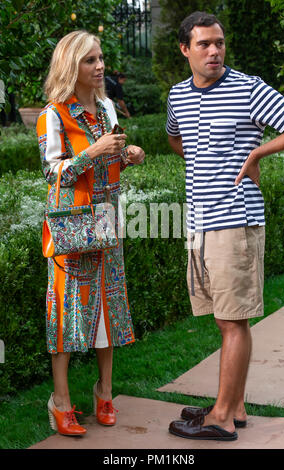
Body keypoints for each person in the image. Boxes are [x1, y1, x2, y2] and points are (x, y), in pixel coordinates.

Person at [167, 11, 284, 441]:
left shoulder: (248, 87)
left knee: (233, 319)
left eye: (219, 43)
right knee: (227, 320)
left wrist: (257, 154)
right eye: (204, 44)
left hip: (236, 220)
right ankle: (236, 405)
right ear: (185, 49)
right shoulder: (177, 95)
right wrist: (204, 162)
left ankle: (222, 417)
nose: (214, 51)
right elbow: (175, 136)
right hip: (199, 222)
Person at [36, 30, 145, 437]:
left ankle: (105, 391)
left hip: (106, 218)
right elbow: (53, 172)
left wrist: (129, 155)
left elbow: (113, 156)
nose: (100, 66)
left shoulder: (107, 108)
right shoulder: (54, 114)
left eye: (100, 58)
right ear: (71, 66)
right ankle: (61, 400)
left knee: (108, 306)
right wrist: (92, 152)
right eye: (90, 60)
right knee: (66, 308)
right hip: (72, 222)